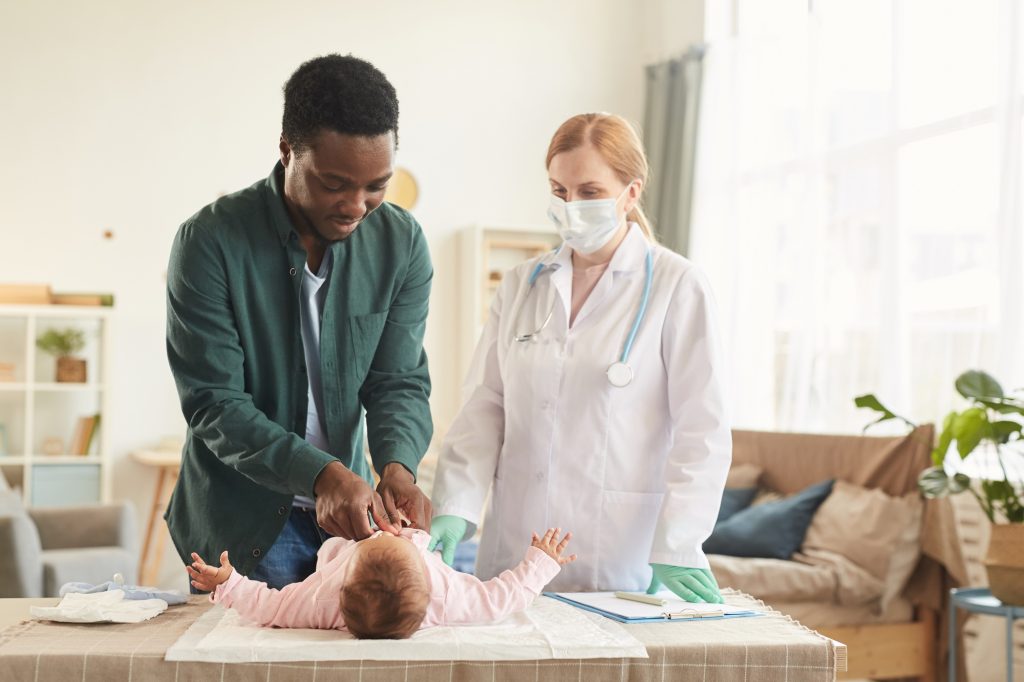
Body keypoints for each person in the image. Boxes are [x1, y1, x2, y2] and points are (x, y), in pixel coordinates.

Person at [429, 113, 730, 603]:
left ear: (631, 193)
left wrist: (677, 543)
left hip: (616, 558)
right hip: (515, 556)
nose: (571, 207)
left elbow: (703, 431)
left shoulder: (678, 286)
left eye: (589, 192)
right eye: (559, 191)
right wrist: (456, 505)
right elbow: (483, 409)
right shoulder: (523, 285)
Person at [165, 54, 433, 591]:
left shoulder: (401, 244)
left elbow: (397, 381)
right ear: (287, 150)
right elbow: (215, 403)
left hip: (354, 519)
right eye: (335, 183)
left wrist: (398, 467)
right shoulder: (211, 242)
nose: (357, 205)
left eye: (377, 185)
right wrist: (320, 473)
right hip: (243, 525)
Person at [186, 527, 576, 638]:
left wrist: (230, 583)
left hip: (335, 550)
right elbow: (504, 597)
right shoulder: (447, 597)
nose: (385, 534)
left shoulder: (323, 600)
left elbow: (270, 606)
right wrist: (540, 563)